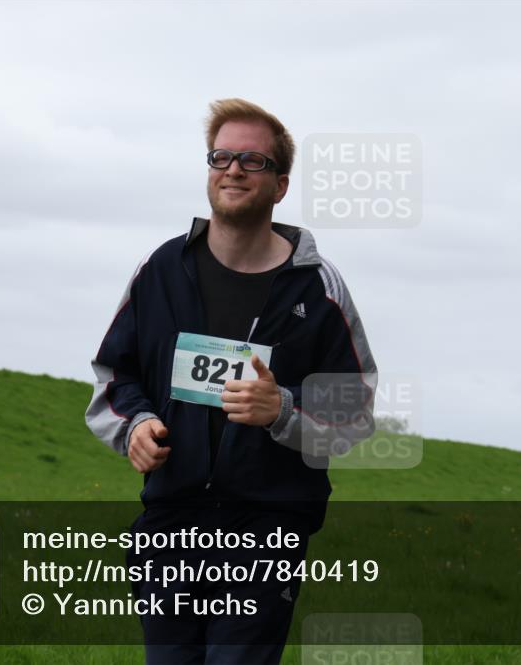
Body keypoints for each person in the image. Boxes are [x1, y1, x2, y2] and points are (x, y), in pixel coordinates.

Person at [85, 99, 376, 664]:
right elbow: (115, 376)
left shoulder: (318, 288)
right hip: (171, 524)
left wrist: (282, 413)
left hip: (268, 528)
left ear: (281, 185)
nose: (234, 169)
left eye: (252, 160)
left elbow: (355, 413)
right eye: (221, 156)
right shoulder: (162, 269)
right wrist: (138, 425)